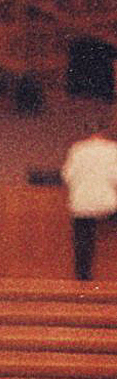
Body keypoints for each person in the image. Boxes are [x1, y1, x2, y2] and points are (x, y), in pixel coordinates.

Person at [62, 119, 117, 280]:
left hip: (82, 203)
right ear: (105, 132)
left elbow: (67, 176)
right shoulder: (113, 150)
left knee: (83, 240)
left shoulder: (77, 149)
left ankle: (83, 277)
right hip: (107, 202)